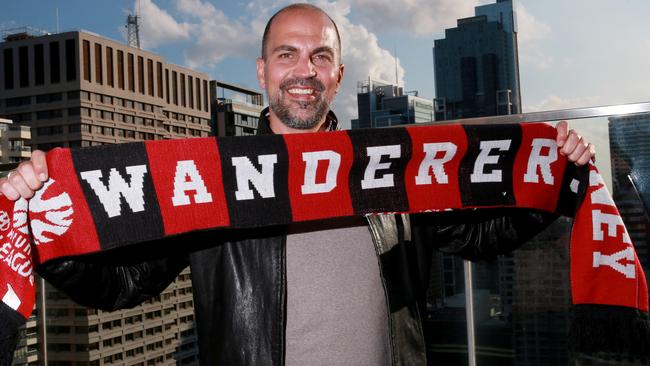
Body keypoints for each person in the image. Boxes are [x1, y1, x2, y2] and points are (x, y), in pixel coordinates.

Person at [0, 4, 595, 365]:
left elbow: (480, 233)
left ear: (338, 73)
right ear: (262, 72)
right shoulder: (212, 180)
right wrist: (47, 229)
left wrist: (554, 181)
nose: (304, 72)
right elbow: (126, 280)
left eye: (319, 57)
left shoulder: (391, 168)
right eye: (287, 55)